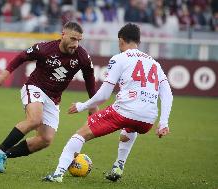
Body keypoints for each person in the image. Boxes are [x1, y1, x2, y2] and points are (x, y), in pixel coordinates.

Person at [43, 23, 173, 183]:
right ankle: (119, 165)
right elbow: (167, 94)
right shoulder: (155, 63)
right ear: (138, 41)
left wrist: (82, 106)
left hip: (124, 112)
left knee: (80, 134)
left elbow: (104, 94)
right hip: (148, 119)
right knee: (130, 127)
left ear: (121, 40)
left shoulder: (119, 58)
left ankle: (58, 174)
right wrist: (163, 122)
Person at [0, 21, 97, 173]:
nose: (76, 44)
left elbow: (90, 79)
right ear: (63, 35)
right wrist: (3, 76)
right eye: (73, 39)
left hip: (53, 99)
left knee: (45, 140)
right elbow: (21, 56)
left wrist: (93, 104)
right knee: (35, 120)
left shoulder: (82, 56)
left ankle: (5, 154)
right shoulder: (45, 48)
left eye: (79, 40)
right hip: (35, 87)